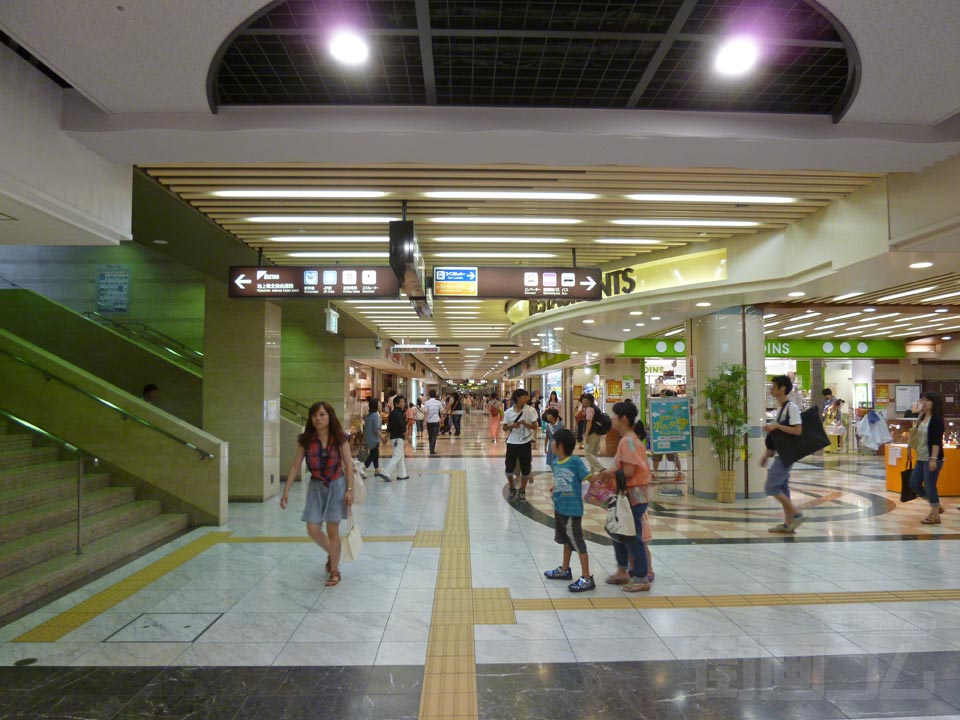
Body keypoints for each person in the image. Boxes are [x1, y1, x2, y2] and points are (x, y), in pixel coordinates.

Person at [281, 401, 354, 587]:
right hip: (315, 487)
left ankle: (335, 570)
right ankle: (333, 553)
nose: (318, 419)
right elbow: (296, 465)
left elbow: (348, 465)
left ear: (330, 416)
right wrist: (286, 490)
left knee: (332, 530)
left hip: (336, 485)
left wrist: (349, 490)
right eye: (314, 415)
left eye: (322, 415)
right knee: (312, 529)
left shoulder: (340, 438)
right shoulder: (306, 440)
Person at [594, 401, 652, 592]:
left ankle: (641, 578)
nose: (612, 419)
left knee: (633, 536)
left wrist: (608, 475)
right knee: (619, 532)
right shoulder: (628, 439)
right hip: (629, 494)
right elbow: (621, 467)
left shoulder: (627, 440)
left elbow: (627, 471)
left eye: (614, 415)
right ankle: (622, 570)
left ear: (623, 419)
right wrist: (606, 473)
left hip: (632, 496)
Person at [543, 428, 595, 592]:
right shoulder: (555, 463)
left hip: (572, 510)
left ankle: (587, 578)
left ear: (560, 445)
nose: (551, 443)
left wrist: (605, 476)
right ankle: (565, 569)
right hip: (560, 508)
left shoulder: (575, 462)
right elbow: (561, 479)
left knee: (577, 542)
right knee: (566, 539)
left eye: (553, 441)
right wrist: (555, 487)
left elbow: (588, 478)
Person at [761, 375, 807, 534]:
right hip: (781, 453)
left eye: (774, 386)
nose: (771, 389)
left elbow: (797, 430)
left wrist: (776, 427)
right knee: (782, 487)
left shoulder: (791, 408)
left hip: (787, 455)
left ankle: (796, 514)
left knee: (771, 486)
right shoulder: (781, 409)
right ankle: (788, 523)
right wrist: (767, 454)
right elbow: (777, 437)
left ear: (782, 389)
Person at [907, 391, 946, 525]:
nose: (924, 403)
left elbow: (936, 441)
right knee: (914, 483)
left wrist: (933, 459)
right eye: (922, 400)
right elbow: (915, 435)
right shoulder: (921, 416)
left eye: (927, 400)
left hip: (932, 458)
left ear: (934, 403)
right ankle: (935, 505)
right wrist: (909, 448)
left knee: (930, 487)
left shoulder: (936, 420)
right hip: (921, 458)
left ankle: (935, 516)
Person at [503, 388, 539, 502]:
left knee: (525, 467)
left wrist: (524, 423)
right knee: (509, 468)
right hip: (512, 442)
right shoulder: (508, 412)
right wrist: (512, 426)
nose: (527, 398)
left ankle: (523, 490)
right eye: (524, 396)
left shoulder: (530, 410)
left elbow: (535, 427)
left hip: (525, 442)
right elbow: (504, 428)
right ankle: (512, 487)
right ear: (518, 398)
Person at [651, 389, 684, 480]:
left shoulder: (675, 406)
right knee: (657, 455)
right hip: (660, 434)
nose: (661, 397)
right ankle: (655, 472)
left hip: (670, 434)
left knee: (673, 455)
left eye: (662, 395)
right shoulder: (657, 405)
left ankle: (679, 471)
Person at [380, 395, 410, 481]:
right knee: (397, 456)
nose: (404, 403)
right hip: (398, 438)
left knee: (400, 456)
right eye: (402, 402)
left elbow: (389, 427)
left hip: (393, 438)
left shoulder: (392, 414)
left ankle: (402, 474)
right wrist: (408, 437)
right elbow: (402, 427)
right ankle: (385, 472)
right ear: (397, 404)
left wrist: (386, 437)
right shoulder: (399, 414)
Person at [581, 393, 606, 475]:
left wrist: (586, 434)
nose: (582, 402)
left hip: (591, 433)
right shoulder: (596, 408)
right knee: (593, 454)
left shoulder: (590, 409)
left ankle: (601, 468)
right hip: (597, 433)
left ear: (587, 401)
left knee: (587, 453)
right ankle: (592, 474)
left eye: (583, 400)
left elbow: (589, 421)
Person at [362, 397, 383, 478]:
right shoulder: (376, 415)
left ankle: (377, 469)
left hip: (369, 437)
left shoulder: (368, 415)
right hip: (374, 438)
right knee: (373, 454)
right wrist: (383, 438)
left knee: (375, 453)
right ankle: (363, 467)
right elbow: (376, 429)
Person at [424, 389, 444, 455]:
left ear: (429, 395)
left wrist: (424, 421)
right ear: (435, 395)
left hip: (429, 421)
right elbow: (441, 412)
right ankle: (432, 449)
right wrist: (442, 420)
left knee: (430, 435)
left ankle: (431, 448)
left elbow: (426, 412)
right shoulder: (438, 402)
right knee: (434, 436)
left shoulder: (426, 403)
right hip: (436, 421)